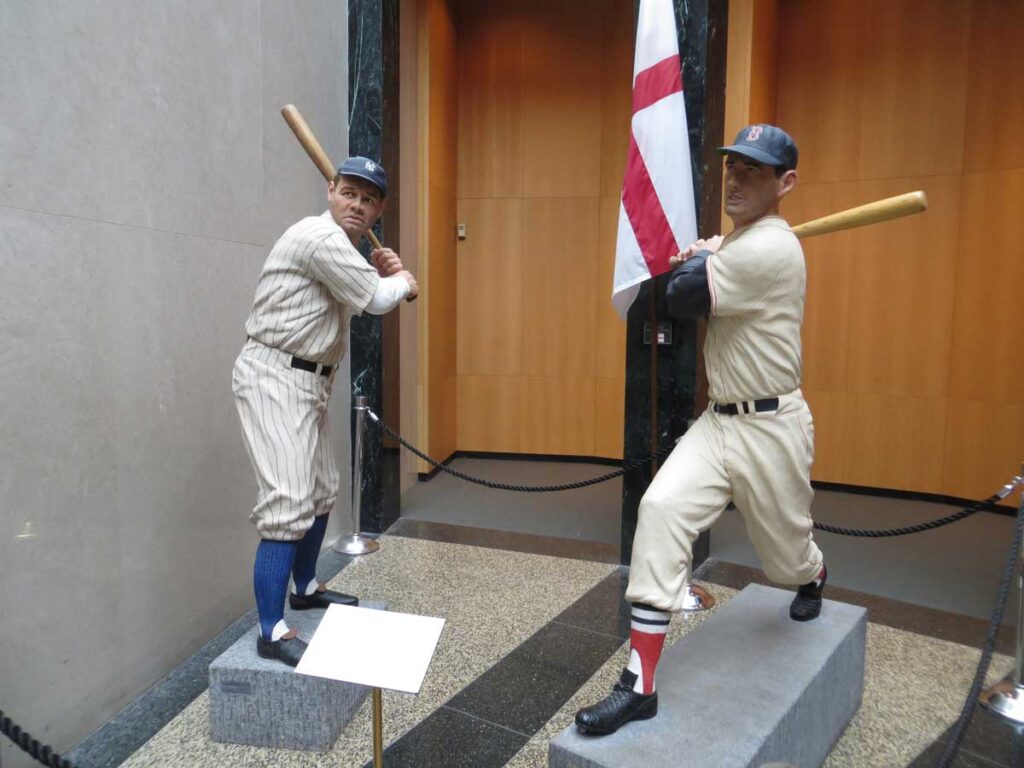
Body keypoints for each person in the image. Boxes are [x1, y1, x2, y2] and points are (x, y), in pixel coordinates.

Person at [575, 125, 827, 734]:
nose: (737, 179)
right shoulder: (744, 244)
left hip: (772, 426)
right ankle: (640, 685)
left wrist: (707, 258)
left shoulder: (771, 249)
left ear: (785, 183)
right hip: (720, 423)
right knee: (660, 510)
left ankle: (814, 572)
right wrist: (714, 254)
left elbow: (680, 296)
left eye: (756, 171)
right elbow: (691, 286)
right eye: (733, 166)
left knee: (784, 559)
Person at [232, 156, 417, 667]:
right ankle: (272, 632)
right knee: (288, 502)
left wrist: (381, 272)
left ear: (379, 209)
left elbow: (364, 286)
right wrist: (400, 280)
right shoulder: (320, 238)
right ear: (330, 192)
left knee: (320, 491)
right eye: (348, 193)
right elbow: (378, 299)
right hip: (273, 374)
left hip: (308, 380)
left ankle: (306, 587)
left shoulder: (344, 246)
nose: (357, 204)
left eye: (369, 198)